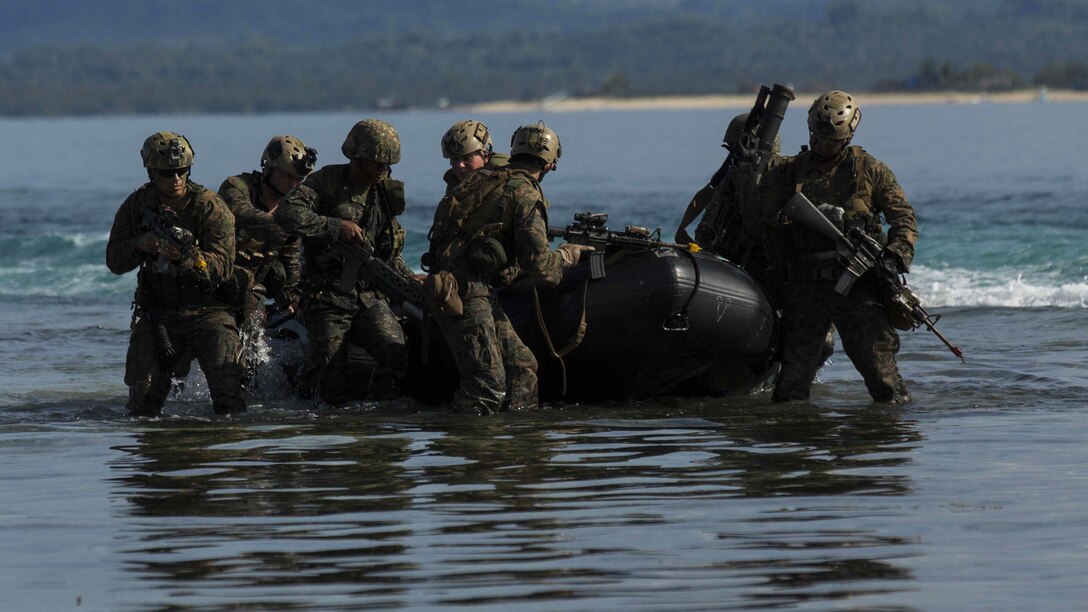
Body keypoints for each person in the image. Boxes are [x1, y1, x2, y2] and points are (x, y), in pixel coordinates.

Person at [758, 91, 918, 403]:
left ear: (847, 137)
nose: (821, 145)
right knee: (791, 385)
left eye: (830, 140)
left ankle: (891, 442)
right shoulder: (790, 172)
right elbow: (763, 222)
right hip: (805, 288)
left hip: (858, 285)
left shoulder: (871, 171)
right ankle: (791, 446)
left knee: (883, 379)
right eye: (816, 137)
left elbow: (905, 222)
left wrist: (894, 256)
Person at [424, 121, 592, 415]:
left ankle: (519, 441)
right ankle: (458, 449)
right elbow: (543, 268)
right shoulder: (525, 192)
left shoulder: (486, 180)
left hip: (470, 288)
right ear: (551, 163)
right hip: (463, 293)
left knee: (523, 367)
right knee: (486, 386)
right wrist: (568, 254)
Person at [106, 131, 246, 416]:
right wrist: (139, 244)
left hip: (209, 311)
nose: (176, 179)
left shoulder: (210, 205)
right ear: (151, 172)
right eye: (167, 173)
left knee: (229, 400)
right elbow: (114, 260)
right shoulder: (136, 206)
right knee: (142, 403)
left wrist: (189, 258)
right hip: (159, 313)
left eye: (182, 171)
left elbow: (223, 266)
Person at [274, 119, 412, 404]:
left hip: (369, 296)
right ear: (358, 158)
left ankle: (381, 418)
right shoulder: (325, 182)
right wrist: (336, 226)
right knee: (330, 376)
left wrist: (407, 276)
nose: (383, 170)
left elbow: (388, 248)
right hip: (327, 297)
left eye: (387, 165)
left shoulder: (385, 192)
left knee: (395, 351)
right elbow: (287, 213)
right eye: (376, 163)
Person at [218, 136, 314, 330]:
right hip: (218, 274)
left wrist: (291, 299)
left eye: (298, 179)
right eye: (288, 176)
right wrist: (287, 226)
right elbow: (242, 213)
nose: (293, 184)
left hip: (254, 283)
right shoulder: (237, 187)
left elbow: (290, 260)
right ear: (268, 168)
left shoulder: (289, 208)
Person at [677, 112, 783, 287]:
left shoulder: (777, 181)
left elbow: (755, 225)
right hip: (723, 272)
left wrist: (744, 173)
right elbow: (705, 231)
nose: (735, 156)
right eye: (733, 149)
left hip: (757, 276)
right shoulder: (727, 182)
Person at [440, 119, 509, 194]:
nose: (460, 165)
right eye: (455, 159)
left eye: (467, 158)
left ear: (486, 156)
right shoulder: (455, 184)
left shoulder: (505, 186)